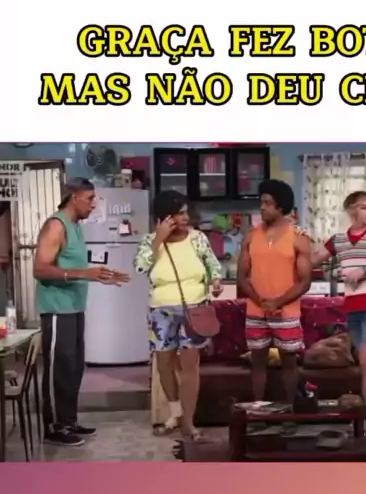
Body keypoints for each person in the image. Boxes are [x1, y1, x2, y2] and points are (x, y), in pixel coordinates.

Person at [34, 178, 130, 447]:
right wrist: (83, 273)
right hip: (56, 309)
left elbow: (75, 268)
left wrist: (100, 275)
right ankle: (54, 427)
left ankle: (68, 420)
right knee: (59, 369)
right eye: (89, 198)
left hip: (75, 308)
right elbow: (40, 269)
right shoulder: (56, 225)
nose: (93, 204)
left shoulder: (76, 226)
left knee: (74, 368)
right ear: (73, 197)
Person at [134, 190, 223, 441]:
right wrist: (158, 240)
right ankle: (175, 413)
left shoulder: (198, 238)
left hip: (195, 309)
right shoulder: (149, 241)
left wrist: (215, 280)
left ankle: (188, 422)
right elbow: (140, 267)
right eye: (179, 214)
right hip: (161, 311)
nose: (186, 218)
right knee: (164, 363)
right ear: (165, 218)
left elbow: (212, 264)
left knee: (190, 366)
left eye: (185, 212)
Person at [313, 191, 366, 420]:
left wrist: (365, 271)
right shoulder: (338, 240)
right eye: (364, 207)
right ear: (351, 211)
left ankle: (365, 416)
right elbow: (313, 260)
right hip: (353, 309)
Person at [237, 179, 312, 404]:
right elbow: (242, 277)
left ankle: (291, 411)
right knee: (258, 363)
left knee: (289, 362)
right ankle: (257, 410)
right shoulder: (250, 235)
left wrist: (277, 302)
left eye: (267, 203)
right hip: (256, 311)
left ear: (281, 207)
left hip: (286, 312)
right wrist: (261, 301)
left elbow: (305, 281)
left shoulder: (298, 237)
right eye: (261, 202)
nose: (262, 208)